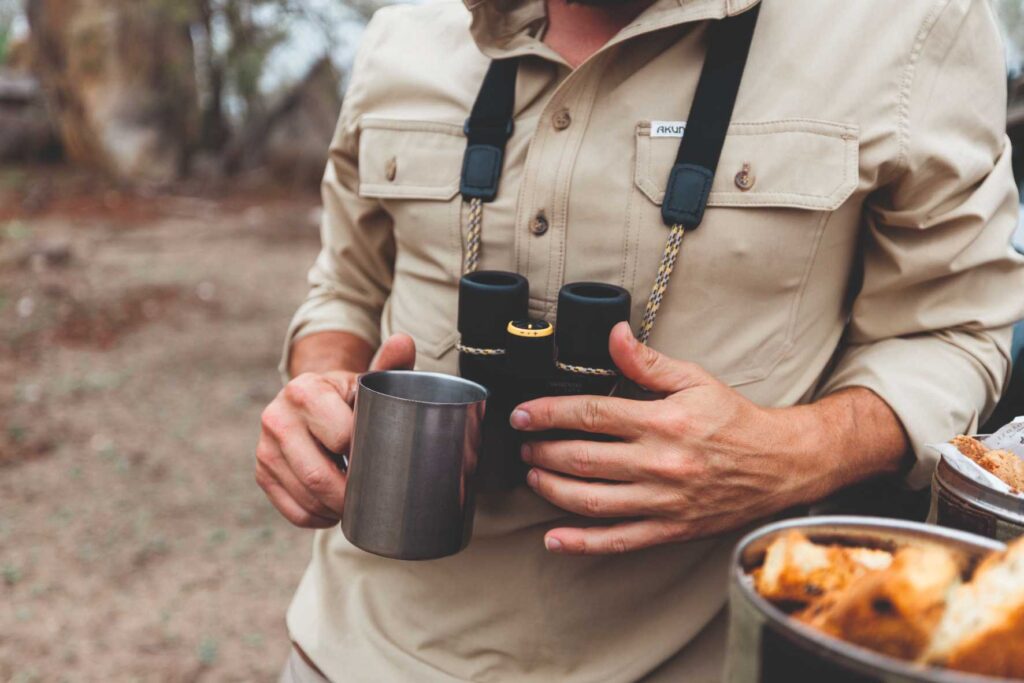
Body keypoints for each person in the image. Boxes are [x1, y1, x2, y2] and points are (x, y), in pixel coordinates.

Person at [256, 0, 1024, 680]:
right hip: (357, 649)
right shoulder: (400, 34)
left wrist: (796, 452)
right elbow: (346, 290)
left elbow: (953, 324)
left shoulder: (915, 24)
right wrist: (316, 389)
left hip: (710, 656)